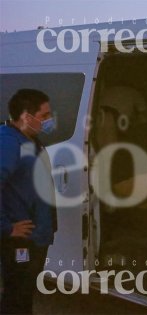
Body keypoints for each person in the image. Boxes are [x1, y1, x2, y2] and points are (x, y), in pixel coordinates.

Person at [0, 89, 57, 314]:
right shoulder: (8, 144)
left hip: (35, 236)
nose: (49, 120)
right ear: (26, 117)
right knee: (18, 295)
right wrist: (6, 227)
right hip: (21, 240)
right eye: (44, 116)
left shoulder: (28, 139)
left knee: (23, 293)